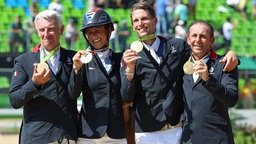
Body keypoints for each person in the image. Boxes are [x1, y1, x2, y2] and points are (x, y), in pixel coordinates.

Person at [120, 2, 239, 144]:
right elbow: (126, 98)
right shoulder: (128, 55)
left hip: (175, 131)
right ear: (133, 26)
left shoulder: (178, 46)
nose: (140, 23)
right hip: (146, 132)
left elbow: (202, 50)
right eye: (136, 21)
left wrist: (232, 54)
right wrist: (130, 69)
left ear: (155, 20)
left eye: (144, 18)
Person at [8, 10, 78, 144]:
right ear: (37, 31)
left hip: (67, 137)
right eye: (42, 30)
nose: (46, 34)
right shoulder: (23, 61)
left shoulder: (73, 58)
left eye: (51, 29)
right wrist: (34, 83)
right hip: (36, 138)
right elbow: (14, 100)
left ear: (61, 29)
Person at [69, 8, 126, 144]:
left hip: (117, 134)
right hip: (89, 134)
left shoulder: (121, 59)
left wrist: (129, 69)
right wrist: (76, 69)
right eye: (89, 33)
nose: (94, 36)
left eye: (97, 31)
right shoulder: (82, 61)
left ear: (109, 30)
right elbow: (72, 94)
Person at [181, 20, 238, 144]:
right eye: (194, 36)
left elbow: (232, 99)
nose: (198, 40)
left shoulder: (224, 64)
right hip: (188, 139)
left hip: (216, 138)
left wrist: (208, 79)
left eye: (203, 36)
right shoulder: (180, 64)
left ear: (211, 41)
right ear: (188, 39)